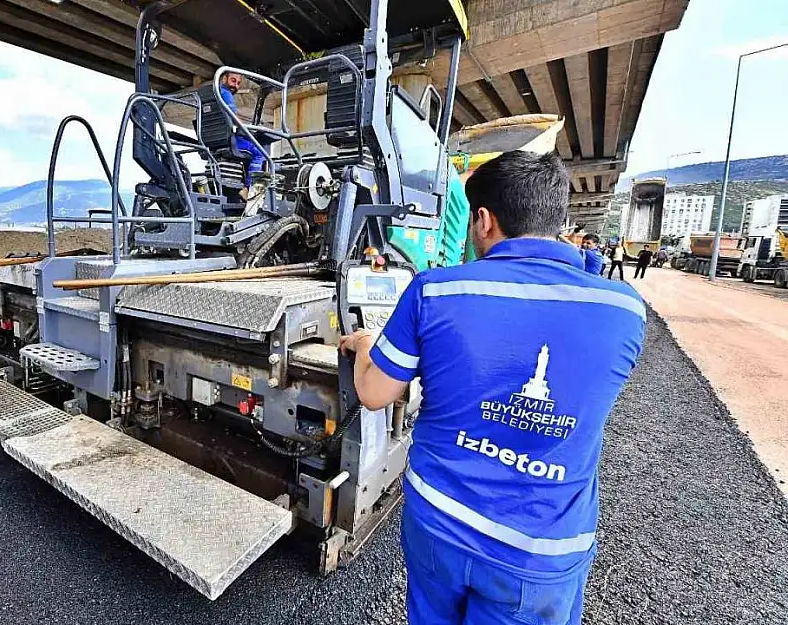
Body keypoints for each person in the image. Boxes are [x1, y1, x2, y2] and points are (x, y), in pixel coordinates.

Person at [339, 150, 645, 625]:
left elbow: (376, 393)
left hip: (440, 521)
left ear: (483, 220)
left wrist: (364, 345)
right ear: (556, 215)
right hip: (543, 547)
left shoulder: (435, 291)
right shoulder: (625, 310)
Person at [218, 72, 272, 211]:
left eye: (238, 83)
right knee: (260, 152)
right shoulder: (225, 93)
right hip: (229, 140)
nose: (235, 85)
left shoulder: (212, 95)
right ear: (224, 79)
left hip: (216, 140)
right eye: (232, 80)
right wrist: (249, 128)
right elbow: (234, 118)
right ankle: (249, 190)